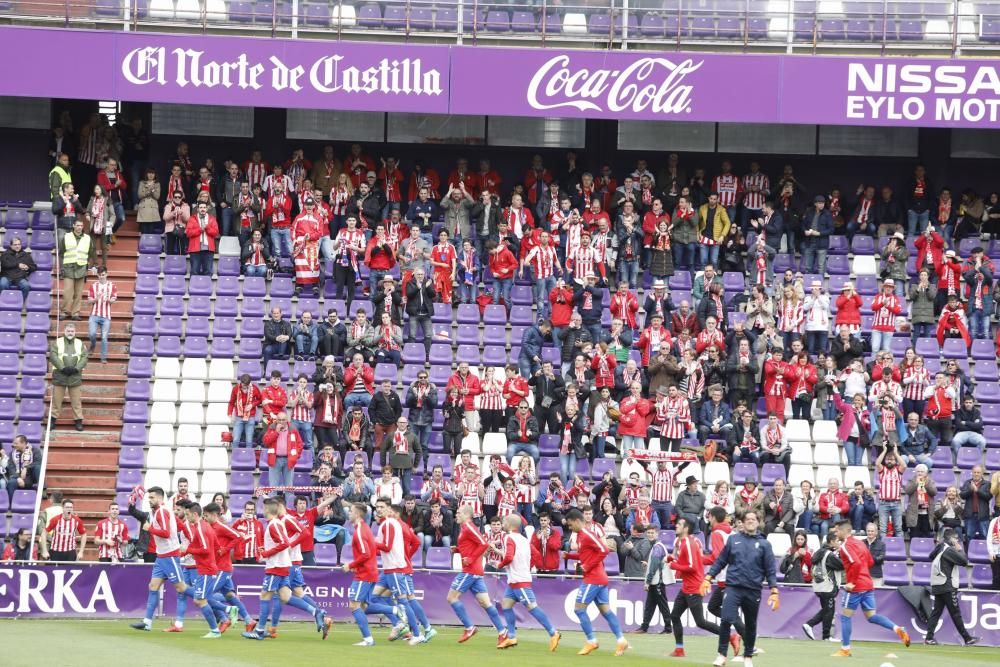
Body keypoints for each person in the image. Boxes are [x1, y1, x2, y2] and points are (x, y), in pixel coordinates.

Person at [703, 510, 779, 667]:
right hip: (733, 587)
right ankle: (722, 655)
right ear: (743, 523)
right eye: (748, 519)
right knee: (726, 619)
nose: (750, 521)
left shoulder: (765, 544)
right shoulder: (733, 539)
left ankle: (748, 656)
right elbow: (721, 561)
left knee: (751, 624)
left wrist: (774, 590)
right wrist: (708, 577)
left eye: (753, 519)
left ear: (758, 522)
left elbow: (770, 570)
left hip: (753, 590)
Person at [831, 519, 910, 657]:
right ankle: (897, 628)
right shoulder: (861, 543)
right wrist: (862, 575)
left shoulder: (845, 546)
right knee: (871, 616)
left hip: (856, 587)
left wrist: (853, 582)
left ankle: (845, 649)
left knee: (845, 617)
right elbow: (871, 562)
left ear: (845, 531)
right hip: (868, 584)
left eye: (837, 530)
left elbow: (855, 563)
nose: (835, 532)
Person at [563, 507, 629, 657]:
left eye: (570, 524)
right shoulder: (579, 535)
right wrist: (570, 557)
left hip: (594, 578)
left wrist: (588, 566)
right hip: (598, 579)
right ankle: (621, 640)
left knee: (579, 609)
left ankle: (592, 640)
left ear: (577, 521)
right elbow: (584, 554)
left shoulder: (586, 534)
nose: (569, 527)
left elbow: (604, 550)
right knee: (606, 611)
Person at [490, 514, 562, 651]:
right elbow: (535, 555)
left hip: (519, 580)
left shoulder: (507, 537)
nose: (502, 522)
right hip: (516, 579)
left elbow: (509, 557)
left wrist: (499, 565)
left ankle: (554, 633)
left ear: (510, 524)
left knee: (532, 607)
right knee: (506, 604)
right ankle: (511, 637)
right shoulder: (523, 539)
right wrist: (525, 567)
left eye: (504, 521)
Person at [130, 487, 191, 631]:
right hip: (161, 555)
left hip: (169, 555)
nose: (150, 500)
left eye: (152, 497)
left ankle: (221, 605)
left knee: (181, 588)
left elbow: (165, 532)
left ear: (160, 498)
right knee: (153, 586)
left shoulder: (162, 512)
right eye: (149, 498)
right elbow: (181, 525)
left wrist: (149, 528)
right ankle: (147, 622)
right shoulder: (159, 511)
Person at [448, 504, 509, 644]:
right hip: (475, 571)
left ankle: (469, 627)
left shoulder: (469, 527)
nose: (456, 515)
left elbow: (483, 544)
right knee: (485, 603)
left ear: (466, 515)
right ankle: (502, 632)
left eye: (458, 513)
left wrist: (471, 558)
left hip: (470, 570)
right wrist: (458, 550)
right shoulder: (464, 527)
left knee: (452, 598)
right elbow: (473, 546)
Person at [668, 517, 722, 658]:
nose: (676, 526)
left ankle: (730, 636)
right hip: (687, 587)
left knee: (700, 622)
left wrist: (673, 565)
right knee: (674, 616)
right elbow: (686, 562)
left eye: (679, 524)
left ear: (686, 529)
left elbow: (692, 567)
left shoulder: (688, 543)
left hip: (694, 587)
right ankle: (679, 649)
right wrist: (672, 559)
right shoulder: (684, 542)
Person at [924, 529, 981, 645]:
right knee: (955, 613)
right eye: (956, 538)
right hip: (947, 586)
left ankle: (929, 638)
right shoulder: (948, 550)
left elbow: (930, 556)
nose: (957, 540)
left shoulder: (940, 547)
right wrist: (959, 550)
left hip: (938, 585)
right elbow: (964, 561)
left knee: (936, 613)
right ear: (950, 539)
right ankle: (967, 638)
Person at [801, 531, 844, 641]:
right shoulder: (829, 555)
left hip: (818, 586)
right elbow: (842, 566)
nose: (839, 543)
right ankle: (811, 625)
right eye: (838, 541)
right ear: (832, 541)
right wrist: (841, 553)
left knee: (827, 610)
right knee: (828, 611)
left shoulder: (819, 552)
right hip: (828, 586)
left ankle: (825, 636)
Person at [49, 323, 88, 431]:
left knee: (76, 401)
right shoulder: (58, 342)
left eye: (72, 331)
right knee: (57, 401)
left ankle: (78, 421)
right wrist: (62, 368)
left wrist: (76, 368)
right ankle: (52, 421)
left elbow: (84, 357)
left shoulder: (80, 343)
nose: (70, 333)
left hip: (75, 376)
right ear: (64, 331)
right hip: (60, 376)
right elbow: (53, 356)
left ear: (75, 332)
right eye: (68, 331)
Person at [262, 412, 303, 506]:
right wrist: (276, 432)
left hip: (289, 460)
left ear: (287, 420)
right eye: (279, 420)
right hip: (275, 460)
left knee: (289, 488)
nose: (281, 422)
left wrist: (295, 457)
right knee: (273, 488)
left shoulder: (293, 429)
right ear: (276, 420)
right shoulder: (272, 428)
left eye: (283, 420)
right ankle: (273, 510)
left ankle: (289, 509)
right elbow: (265, 442)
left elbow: (300, 445)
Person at [85, 265, 116, 364]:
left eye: (103, 275)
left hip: (106, 316)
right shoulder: (93, 286)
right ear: (97, 275)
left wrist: (109, 300)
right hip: (94, 314)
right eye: (100, 275)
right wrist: (95, 299)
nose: (101, 277)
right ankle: (93, 345)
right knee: (92, 334)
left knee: (104, 337)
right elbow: (89, 301)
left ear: (107, 274)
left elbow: (113, 299)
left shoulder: (112, 286)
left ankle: (103, 357)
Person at [60, 218, 90, 320]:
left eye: (81, 226)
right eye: (77, 225)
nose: (79, 227)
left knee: (78, 293)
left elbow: (90, 253)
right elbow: (61, 251)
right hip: (69, 267)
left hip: (81, 267)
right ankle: (64, 312)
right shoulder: (66, 236)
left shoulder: (87, 238)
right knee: (67, 292)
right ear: (73, 226)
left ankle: (75, 313)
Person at [186, 201, 220, 276]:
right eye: (201, 207)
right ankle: (193, 288)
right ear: (197, 209)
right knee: (194, 271)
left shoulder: (212, 219)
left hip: (208, 250)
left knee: (208, 272)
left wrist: (207, 227)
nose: (203, 209)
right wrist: (200, 229)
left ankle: (207, 288)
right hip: (195, 249)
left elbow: (216, 233)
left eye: (204, 207)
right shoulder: (192, 219)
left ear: (207, 209)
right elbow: (188, 233)